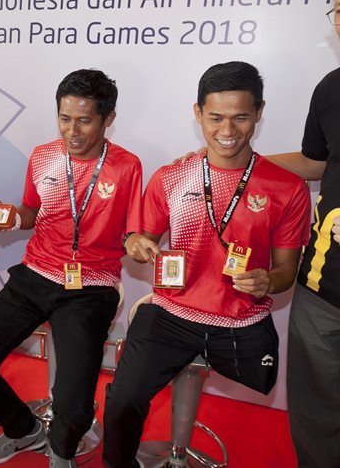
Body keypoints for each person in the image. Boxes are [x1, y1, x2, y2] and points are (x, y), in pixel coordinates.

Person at [104, 61, 312, 468]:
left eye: (241, 117)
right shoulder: (171, 176)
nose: (227, 130)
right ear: (197, 113)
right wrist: (135, 243)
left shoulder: (287, 188)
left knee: (266, 382)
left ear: (259, 112)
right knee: (122, 400)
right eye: (215, 117)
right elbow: (139, 239)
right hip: (171, 312)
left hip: (240, 319)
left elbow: (287, 271)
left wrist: (268, 280)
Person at [0, 69, 142, 468]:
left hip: (91, 286)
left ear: (107, 119)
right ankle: (24, 430)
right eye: (64, 118)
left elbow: (132, 230)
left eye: (84, 120)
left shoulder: (127, 166)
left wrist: (136, 243)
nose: (72, 131)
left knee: (74, 407)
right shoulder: (42, 156)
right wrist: (11, 218)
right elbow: (31, 212)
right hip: (36, 273)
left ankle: (61, 451)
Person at [264, 0, 340, 468]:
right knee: (316, 416)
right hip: (323, 285)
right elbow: (316, 162)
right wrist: (241, 158)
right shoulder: (331, 87)